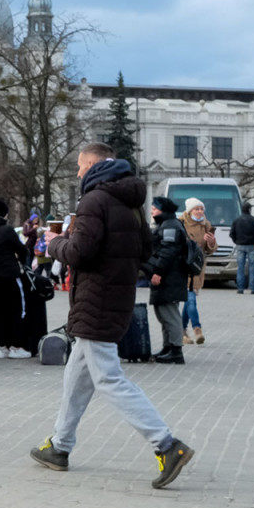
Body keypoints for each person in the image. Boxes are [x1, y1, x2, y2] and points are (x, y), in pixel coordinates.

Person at [31, 142, 195, 490]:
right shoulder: (133, 202)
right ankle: (60, 446)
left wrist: (55, 241)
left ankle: (167, 445)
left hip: (96, 299)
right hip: (116, 295)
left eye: (79, 166)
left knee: (109, 379)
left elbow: (80, 252)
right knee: (77, 376)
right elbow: (145, 250)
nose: (77, 173)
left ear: (92, 164)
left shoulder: (94, 200)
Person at [0, 198, 30, 358]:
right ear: (4, 213)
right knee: (17, 309)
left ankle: (1, 347)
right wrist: (22, 263)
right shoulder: (7, 230)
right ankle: (16, 346)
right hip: (9, 275)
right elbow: (22, 250)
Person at [142, 197, 188, 364]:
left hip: (170, 277)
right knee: (163, 313)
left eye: (155, 208)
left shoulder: (170, 226)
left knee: (170, 314)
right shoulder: (166, 224)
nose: (152, 211)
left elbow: (168, 252)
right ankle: (168, 347)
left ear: (163, 210)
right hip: (167, 276)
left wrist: (159, 272)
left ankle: (176, 350)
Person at [180, 198, 217, 345]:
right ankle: (197, 328)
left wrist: (211, 242)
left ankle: (182, 331)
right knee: (191, 299)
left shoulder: (206, 224)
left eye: (201, 209)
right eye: (196, 209)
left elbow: (210, 249)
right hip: (183, 266)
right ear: (189, 211)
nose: (200, 211)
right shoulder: (181, 223)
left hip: (197, 266)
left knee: (189, 301)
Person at [231, 201, 254, 295]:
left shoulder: (236, 220)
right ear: (249, 209)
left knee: (240, 267)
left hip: (240, 245)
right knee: (252, 267)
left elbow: (232, 233)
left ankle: (240, 288)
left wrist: (236, 241)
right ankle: (253, 288)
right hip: (252, 246)